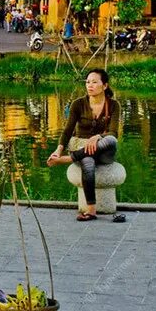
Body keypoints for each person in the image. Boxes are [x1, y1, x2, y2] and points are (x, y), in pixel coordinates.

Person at [47, 68, 120, 221]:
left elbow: (113, 132)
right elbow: (67, 131)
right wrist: (58, 151)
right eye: (87, 82)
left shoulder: (113, 105)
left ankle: (69, 159)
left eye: (94, 82)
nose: (90, 85)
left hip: (103, 149)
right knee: (87, 161)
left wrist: (97, 137)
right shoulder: (78, 104)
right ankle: (91, 211)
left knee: (112, 140)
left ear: (104, 86)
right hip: (81, 145)